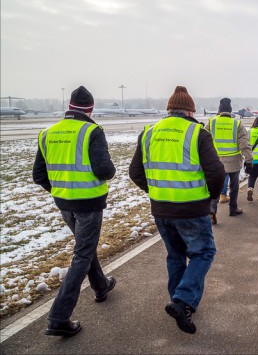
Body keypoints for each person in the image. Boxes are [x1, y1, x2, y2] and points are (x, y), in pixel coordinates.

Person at [129, 86, 225, 334]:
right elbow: (216, 173)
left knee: (175, 255)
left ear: (169, 109)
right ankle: (182, 300)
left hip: (161, 209)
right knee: (203, 253)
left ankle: (178, 302)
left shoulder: (148, 132)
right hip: (192, 208)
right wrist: (209, 199)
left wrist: (158, 192)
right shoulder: (197, 133)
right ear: (191, 110)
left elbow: (135, 173)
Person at [33, 86, 117, 337]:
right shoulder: (92, 130)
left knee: (85, 248)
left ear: (69, 106)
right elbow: (104, 169)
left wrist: (61, 189)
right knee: (82, 255)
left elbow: (38, 175)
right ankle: (59, 316)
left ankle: (101, 286)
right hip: (89, 202)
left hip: (64, 202)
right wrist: (109, 173)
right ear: (90, 108)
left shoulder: (47, 133)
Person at [205, 98, 253, 221]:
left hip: (216, 162)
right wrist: (249, 161)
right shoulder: (237, 124)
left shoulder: (211, 123)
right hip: (234, 162)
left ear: (219, 110)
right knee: (234, 186)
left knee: (216, 186)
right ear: (231, 111)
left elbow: (203, 142)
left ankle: (212, 210)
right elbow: (244, 144)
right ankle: (233, 209)